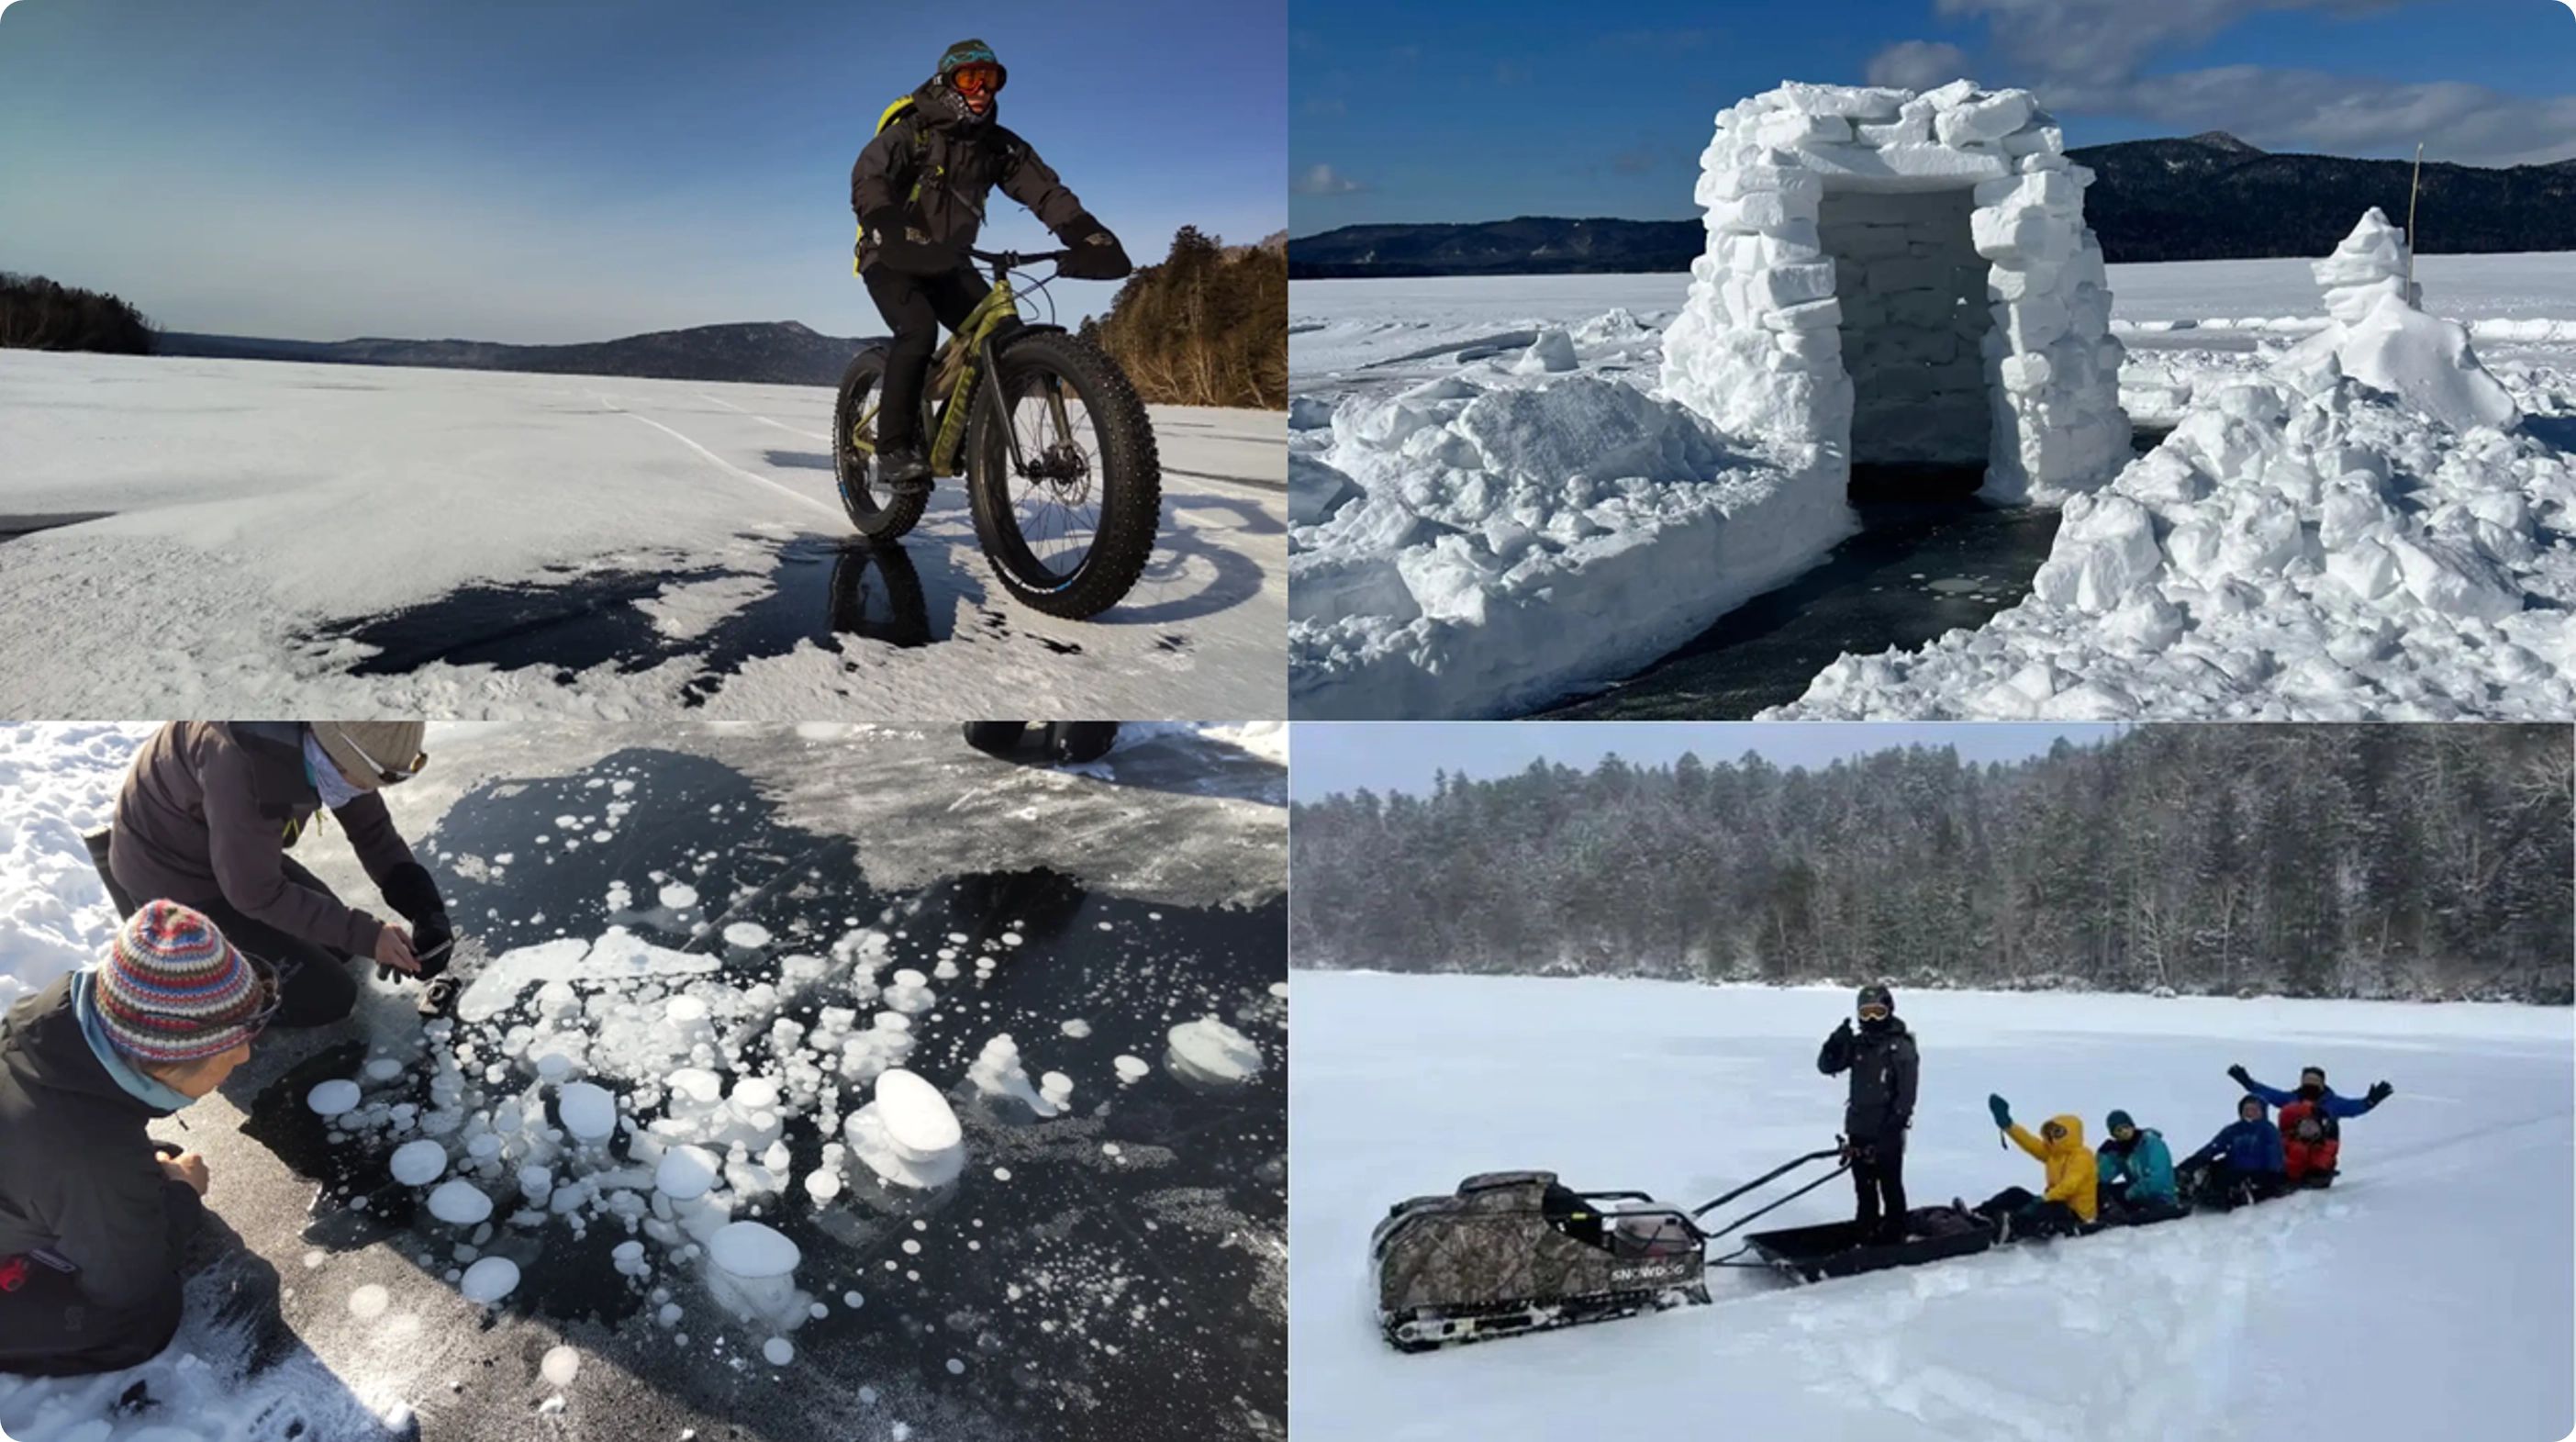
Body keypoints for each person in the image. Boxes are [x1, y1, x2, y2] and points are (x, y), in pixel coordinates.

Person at [0, 902, 276, 1376]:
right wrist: (183, 1196)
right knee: (143, 1318)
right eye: (230, 1052)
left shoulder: (53, 1020)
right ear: (168, 1062)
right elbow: (129, 1285)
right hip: (50, 1181)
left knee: (149, 1171)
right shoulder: (91, 1159)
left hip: (31, 1168)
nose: (246, 1056)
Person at [850, 38, 1132, 492]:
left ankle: (967, 433)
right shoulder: (913, 133)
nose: (982, 88)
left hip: (949, 260)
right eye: (969, 78)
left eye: (992, 78)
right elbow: (870, 177)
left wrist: (1084, 232)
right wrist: (886, 223)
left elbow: (1045, 192)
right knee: (917, 329)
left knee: (1002, 334)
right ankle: (895, 446)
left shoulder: (997, 147)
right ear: (946, 84)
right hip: (892, 253)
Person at [86, 722, 452, 1027]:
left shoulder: (329, 742)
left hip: (232, 853)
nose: (367, 791)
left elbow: (372, 832)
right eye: (365, 780)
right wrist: (370, 936)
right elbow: (255, 893)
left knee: (338, 945)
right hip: (173, 878)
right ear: (337, 755)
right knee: (327, 998)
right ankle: (185, 982)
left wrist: (424, 907)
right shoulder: (245, 765)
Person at [1815, 983, 1917, 1245]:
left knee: (1890, 1184)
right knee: (1864, 1187)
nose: (1872, 1019)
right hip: (1859, 1126)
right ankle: (1866, 1229)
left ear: (1889, 1011)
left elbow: (1906, 1094)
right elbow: (1827, 1067)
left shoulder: (1900, 1047)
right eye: (1867, 1013)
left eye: (1878, 1012)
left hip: (1887, 1128)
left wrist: (1893, 1127)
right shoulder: (1859, 1044)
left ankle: (1895, 1233)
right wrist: (1835, 1044)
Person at [2230, 1063, 2388, 1185]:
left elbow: (2354, 1107)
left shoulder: (2332, 1103)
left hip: (2317, 1153)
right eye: (2307, 1081)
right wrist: (2249, 1084)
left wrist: (2370, 1102)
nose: (2310, 1084)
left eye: (2314, 1081)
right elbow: (2269, 1094)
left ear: (2322, 1084)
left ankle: (2316, 1171)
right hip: (2287, 1149)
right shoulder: (2291, 1099)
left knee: (2327, 1130)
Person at [1969, 1098, 2097, 1240]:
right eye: (2051, 1132)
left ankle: (2012, 1226)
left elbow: (2070, 1185)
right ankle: (1979, 1214)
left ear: (2072, 1132)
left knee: (2044, 1209)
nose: (2054, 1136)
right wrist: (2008, 1125)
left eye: (2059, 1132)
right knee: (2015, 1193)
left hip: (2076, 1214)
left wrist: (2044, 1198)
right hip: (2053, 1201)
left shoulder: (2083, 1155)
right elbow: (2029, 1143)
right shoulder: (2053, 1154)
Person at [2177, 1094, 2289, 1208]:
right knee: (2212, 1167)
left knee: (2240, 1181)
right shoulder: (2233, 1130)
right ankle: (2193, 1187)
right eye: (2247, 1109)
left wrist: (2275, 1175)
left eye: (2254, 1109)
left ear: (2262, 1112)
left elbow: (2274, 1152)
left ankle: (2238, 1194)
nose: (2250, 1113)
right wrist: (2193, 1162)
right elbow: (2214, 1147)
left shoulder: (2268, 1129)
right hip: (2233, 1168)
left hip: (2257, 1172)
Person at [2093, 1109, 2180, 1220]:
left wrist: (2131, 1192)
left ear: (2132, 1126)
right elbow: (2102, 1177)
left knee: (2123, 1196)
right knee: (2102, 1190)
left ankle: (2119, 1213)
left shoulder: (2151, 1143)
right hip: (2139, 1194)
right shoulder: (2123, 1151)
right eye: (2118, 1130)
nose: (2124, 1132)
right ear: (2114, 1135)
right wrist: (2103, 1155)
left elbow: (2159, 1179)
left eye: (2126, 1127)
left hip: (2161, 1195)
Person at [2280, 1101, 2341, 1187]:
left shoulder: (2323, 1147)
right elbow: (2287, 1113)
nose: (2308, 1129)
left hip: (2311, 1182)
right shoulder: (2288, 1140)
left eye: (2312, 1127)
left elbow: (2322, 1161)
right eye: (2305, 1126)